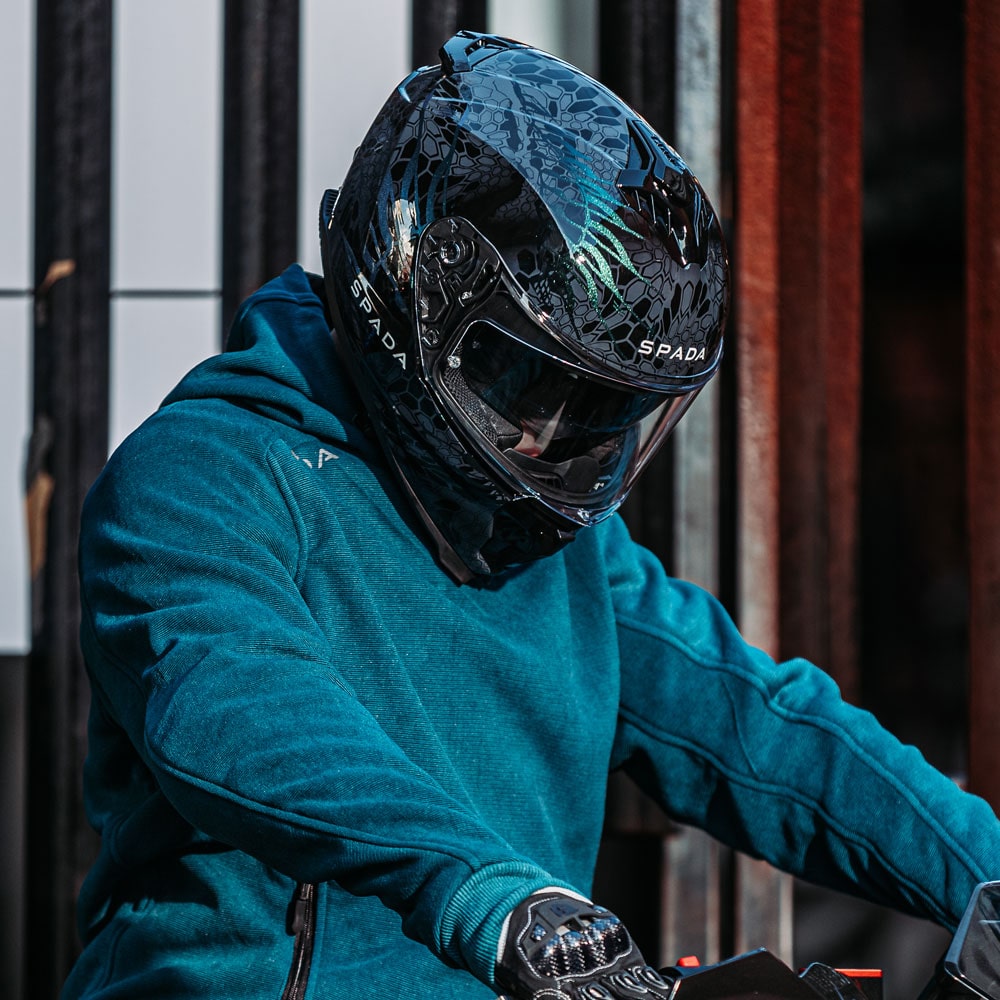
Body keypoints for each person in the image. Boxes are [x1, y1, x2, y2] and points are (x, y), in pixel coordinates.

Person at [63, 30, 999, 1000]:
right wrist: (499, 899)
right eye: (524, 383)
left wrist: (986, 867)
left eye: (603, 416)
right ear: (412, 302)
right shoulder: (204, 476)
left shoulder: (560, 552)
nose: (548, 446)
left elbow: (757, 727)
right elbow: (242, 711)